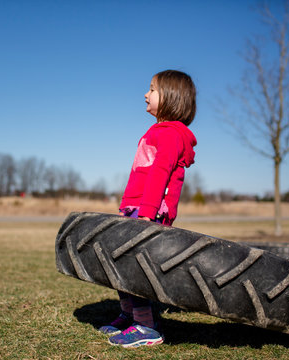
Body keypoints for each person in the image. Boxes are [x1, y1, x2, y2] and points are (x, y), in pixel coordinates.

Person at [100, 70, 197, 348]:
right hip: (136, 209)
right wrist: (126, 208)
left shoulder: (170, 134)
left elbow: (159, 173)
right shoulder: (158, 131)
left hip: (149, 213)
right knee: (121, 263)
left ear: (171, 97)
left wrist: (146, 213)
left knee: (135, 269)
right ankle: (129, 316)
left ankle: (146, 328)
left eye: (152, 89)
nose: (145, 93)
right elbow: (138, 177)